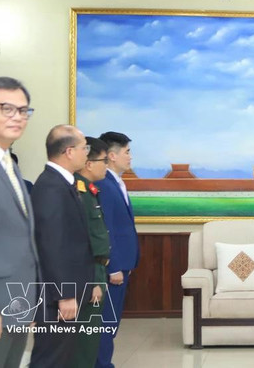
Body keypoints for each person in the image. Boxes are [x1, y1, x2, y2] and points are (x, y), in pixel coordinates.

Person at [0, 77, 38, 368]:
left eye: (24, 111)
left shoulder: (7, 162)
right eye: (7, 109)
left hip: (16, 304)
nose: (18, 117)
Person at [30, 124, 95, 368]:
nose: (86, 153)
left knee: (63, 356)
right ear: (69, 151)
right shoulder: (51, 187)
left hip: (70, 292)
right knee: (51, 358)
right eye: (83, 147)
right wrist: (65, 294)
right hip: (59, 296)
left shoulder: (63, 183)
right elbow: (51, 245)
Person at [95, 131, 140, 368]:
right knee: (105, 323)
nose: (131, 157)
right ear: (112, 156)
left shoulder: (117, 183)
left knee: (110, 323)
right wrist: (113, 267)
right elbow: (106, 228)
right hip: (112, 270)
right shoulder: (103, 184)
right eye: (127, 152)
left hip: (124, 265)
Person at [70, 137, 111, 368]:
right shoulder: (78, 192)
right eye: (103, 160)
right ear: (88, 163)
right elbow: (82, 242)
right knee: (83, 344)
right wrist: (94, 281)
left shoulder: (90, 190)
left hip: (97, 272)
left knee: (90, 339)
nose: (106, 165)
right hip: (88, 276)